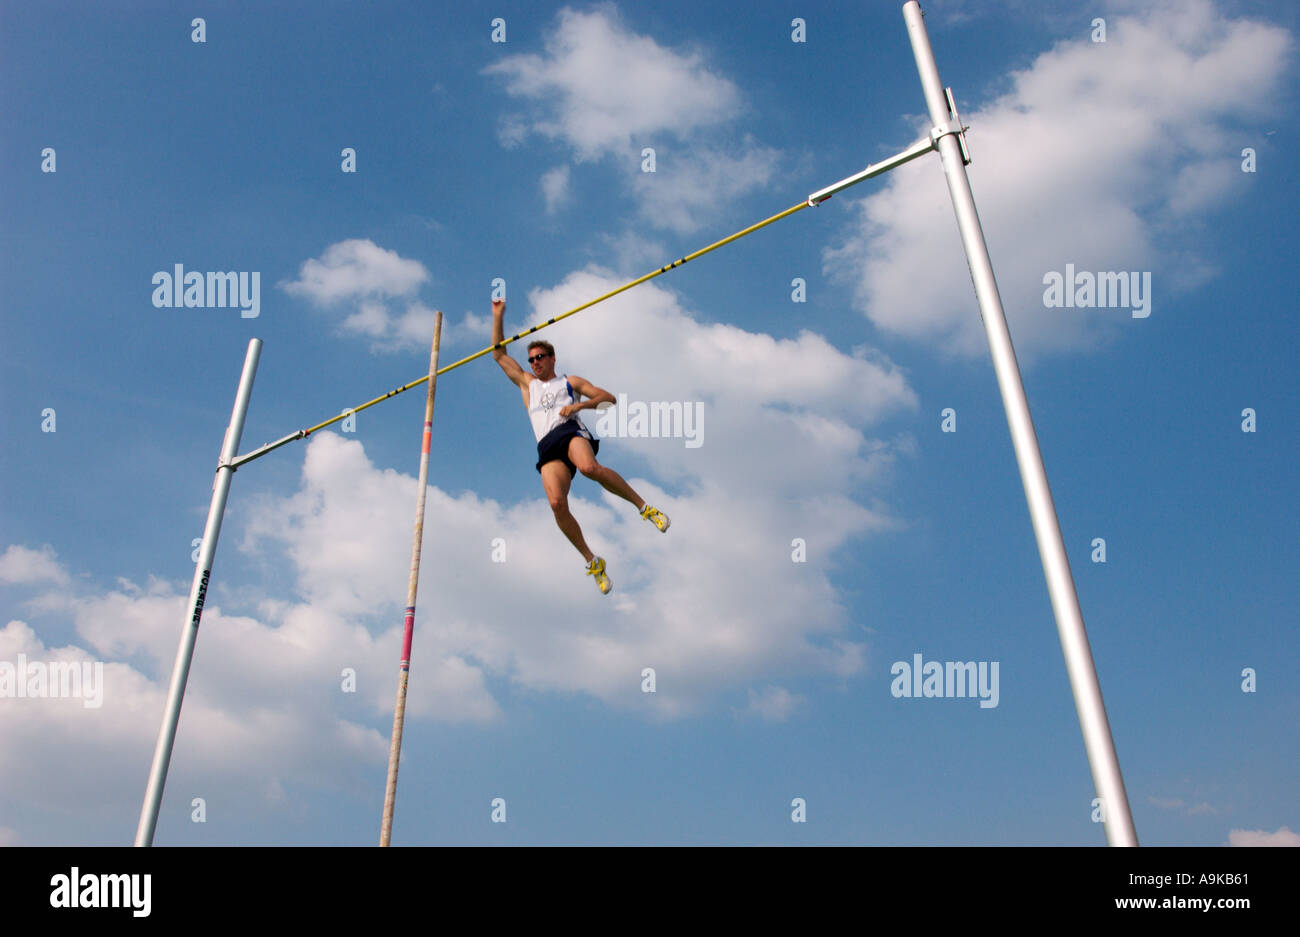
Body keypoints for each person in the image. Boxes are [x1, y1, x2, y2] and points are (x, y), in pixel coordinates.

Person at [491, 298, 669, 594]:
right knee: (557, 505)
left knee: (588, 468)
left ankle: (645, 508)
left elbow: (608, 398)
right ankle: (592, 561)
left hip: (569, 430)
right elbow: (498, 354)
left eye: (540, 357)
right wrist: (498, 314)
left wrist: (579, 408)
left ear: (552, 358)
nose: (535, 363)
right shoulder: (527, 384)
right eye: (532, 359)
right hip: (547, 446)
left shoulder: (569, 381)